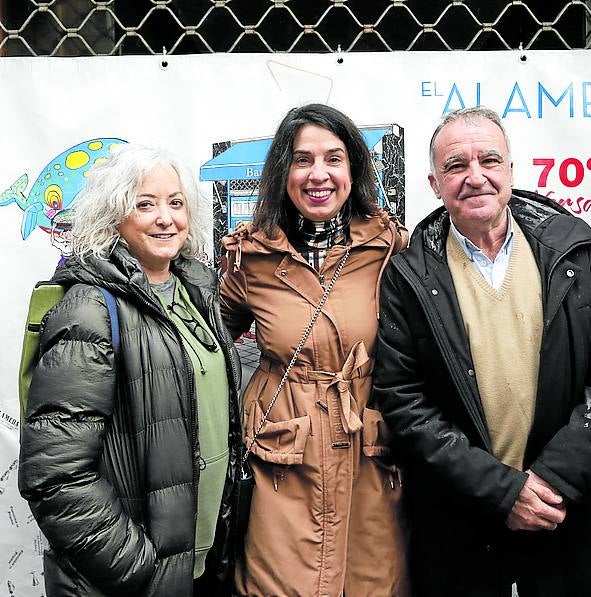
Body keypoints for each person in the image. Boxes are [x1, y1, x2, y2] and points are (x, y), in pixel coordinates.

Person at [373, 106, 591, 597]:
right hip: (464, 525)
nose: (475, 177)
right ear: (434, 184)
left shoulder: (572, 249)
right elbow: (403, 400)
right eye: (456, 166)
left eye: (489, 161)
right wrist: (502, 491)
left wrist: (552, 480)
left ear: (511, 171)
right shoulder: (407, 276)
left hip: (570, 515)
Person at [19, 144, 243, 596]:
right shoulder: (89, 309)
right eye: (145, 204)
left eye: (175, 203)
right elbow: (55, 474)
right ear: (113, 216)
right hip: (135, 579)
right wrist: (138, 568)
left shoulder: (196, 293)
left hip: (200, 566)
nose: (166, 218)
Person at [220, 103, 411, 596]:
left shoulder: (390, 249)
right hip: (282, 463)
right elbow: (201, 342)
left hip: (371, 460)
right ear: (283, 171)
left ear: (354, 170)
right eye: (302, 160)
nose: (318, 174)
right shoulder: (249, 258)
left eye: (334, 158)